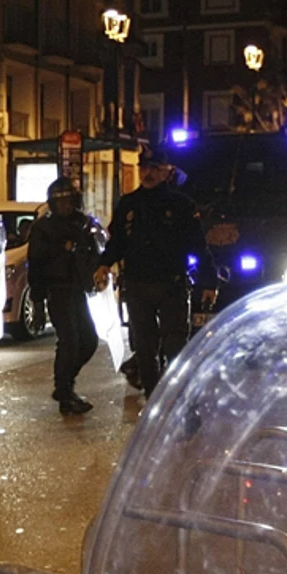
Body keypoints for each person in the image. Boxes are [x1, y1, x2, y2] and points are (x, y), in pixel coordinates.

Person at [95, 145, 207, 397]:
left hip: (170, 285)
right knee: (144, 347)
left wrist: (209, 280)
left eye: (155, 168)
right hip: (137, 284)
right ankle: (153, 396)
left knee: (175, 344)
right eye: (144, 168)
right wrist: (104, 264)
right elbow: (118, 242)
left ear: (167, 171)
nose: (148, 173)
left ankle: (178, 397)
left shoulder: (180, 205)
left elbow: (198, 245)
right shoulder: (129, 204)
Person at [27, 178, 103, 414]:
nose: (66, 206)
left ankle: (65, 384)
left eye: (69, 201)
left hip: (78, 290)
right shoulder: (43, 228)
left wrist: (97, 271)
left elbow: (94, 252)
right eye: (61, 202)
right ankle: (65, 393)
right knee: (69, 341)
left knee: (89, 340)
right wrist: (38, 302)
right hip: (57, 290)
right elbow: (37, 266)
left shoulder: (82, 223)